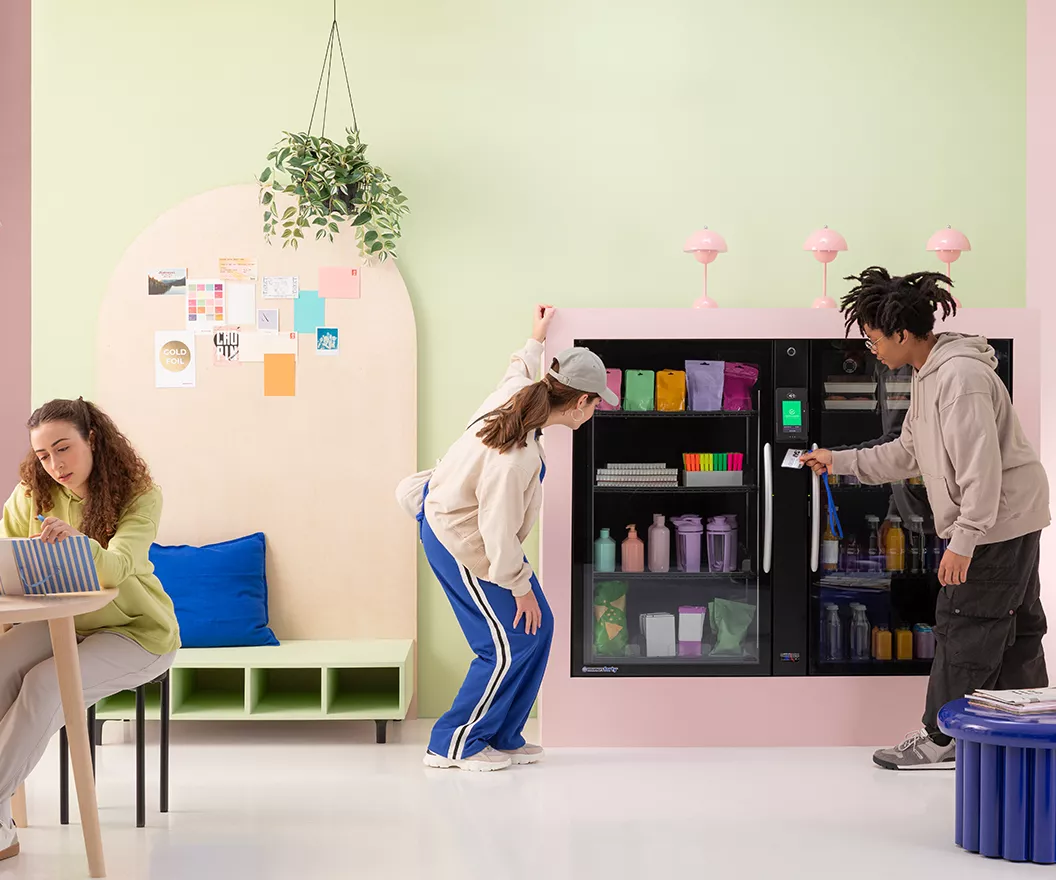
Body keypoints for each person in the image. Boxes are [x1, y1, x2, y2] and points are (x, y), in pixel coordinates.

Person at [802, 267, 1050, 771]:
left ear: (901, 333)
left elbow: (981, 469)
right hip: (1010, 518)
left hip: (997, 523)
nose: (872, 347)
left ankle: (941, 739)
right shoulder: (929, 374)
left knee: (963, 621)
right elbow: (907, 453)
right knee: (1015, 626)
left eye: (873, 338)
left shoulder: (962, 377)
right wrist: (840, 460)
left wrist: (965, 539)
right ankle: (1023, 734)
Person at [397, 305, 617, 771]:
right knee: (506, 643)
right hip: (459, 539)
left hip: (479, 534)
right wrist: (519, 587)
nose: (597, 411)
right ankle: (453, 745)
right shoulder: (514, 458)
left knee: (540, 628)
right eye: (597, 402)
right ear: (578, 402)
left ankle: (502, 734)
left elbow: (517, 367)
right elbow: (496, 531)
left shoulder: (522, 394)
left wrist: (536, 337)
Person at [0, 399, 180, 861]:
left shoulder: (139, 494)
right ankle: (2, 812)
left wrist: (80, 545)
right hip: (65, 621)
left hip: (136, 632)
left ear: (92, 440)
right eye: (42, 455)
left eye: (63, 449)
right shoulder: (32, 493)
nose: (54, 464)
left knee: (46, 684)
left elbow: (119, 567)